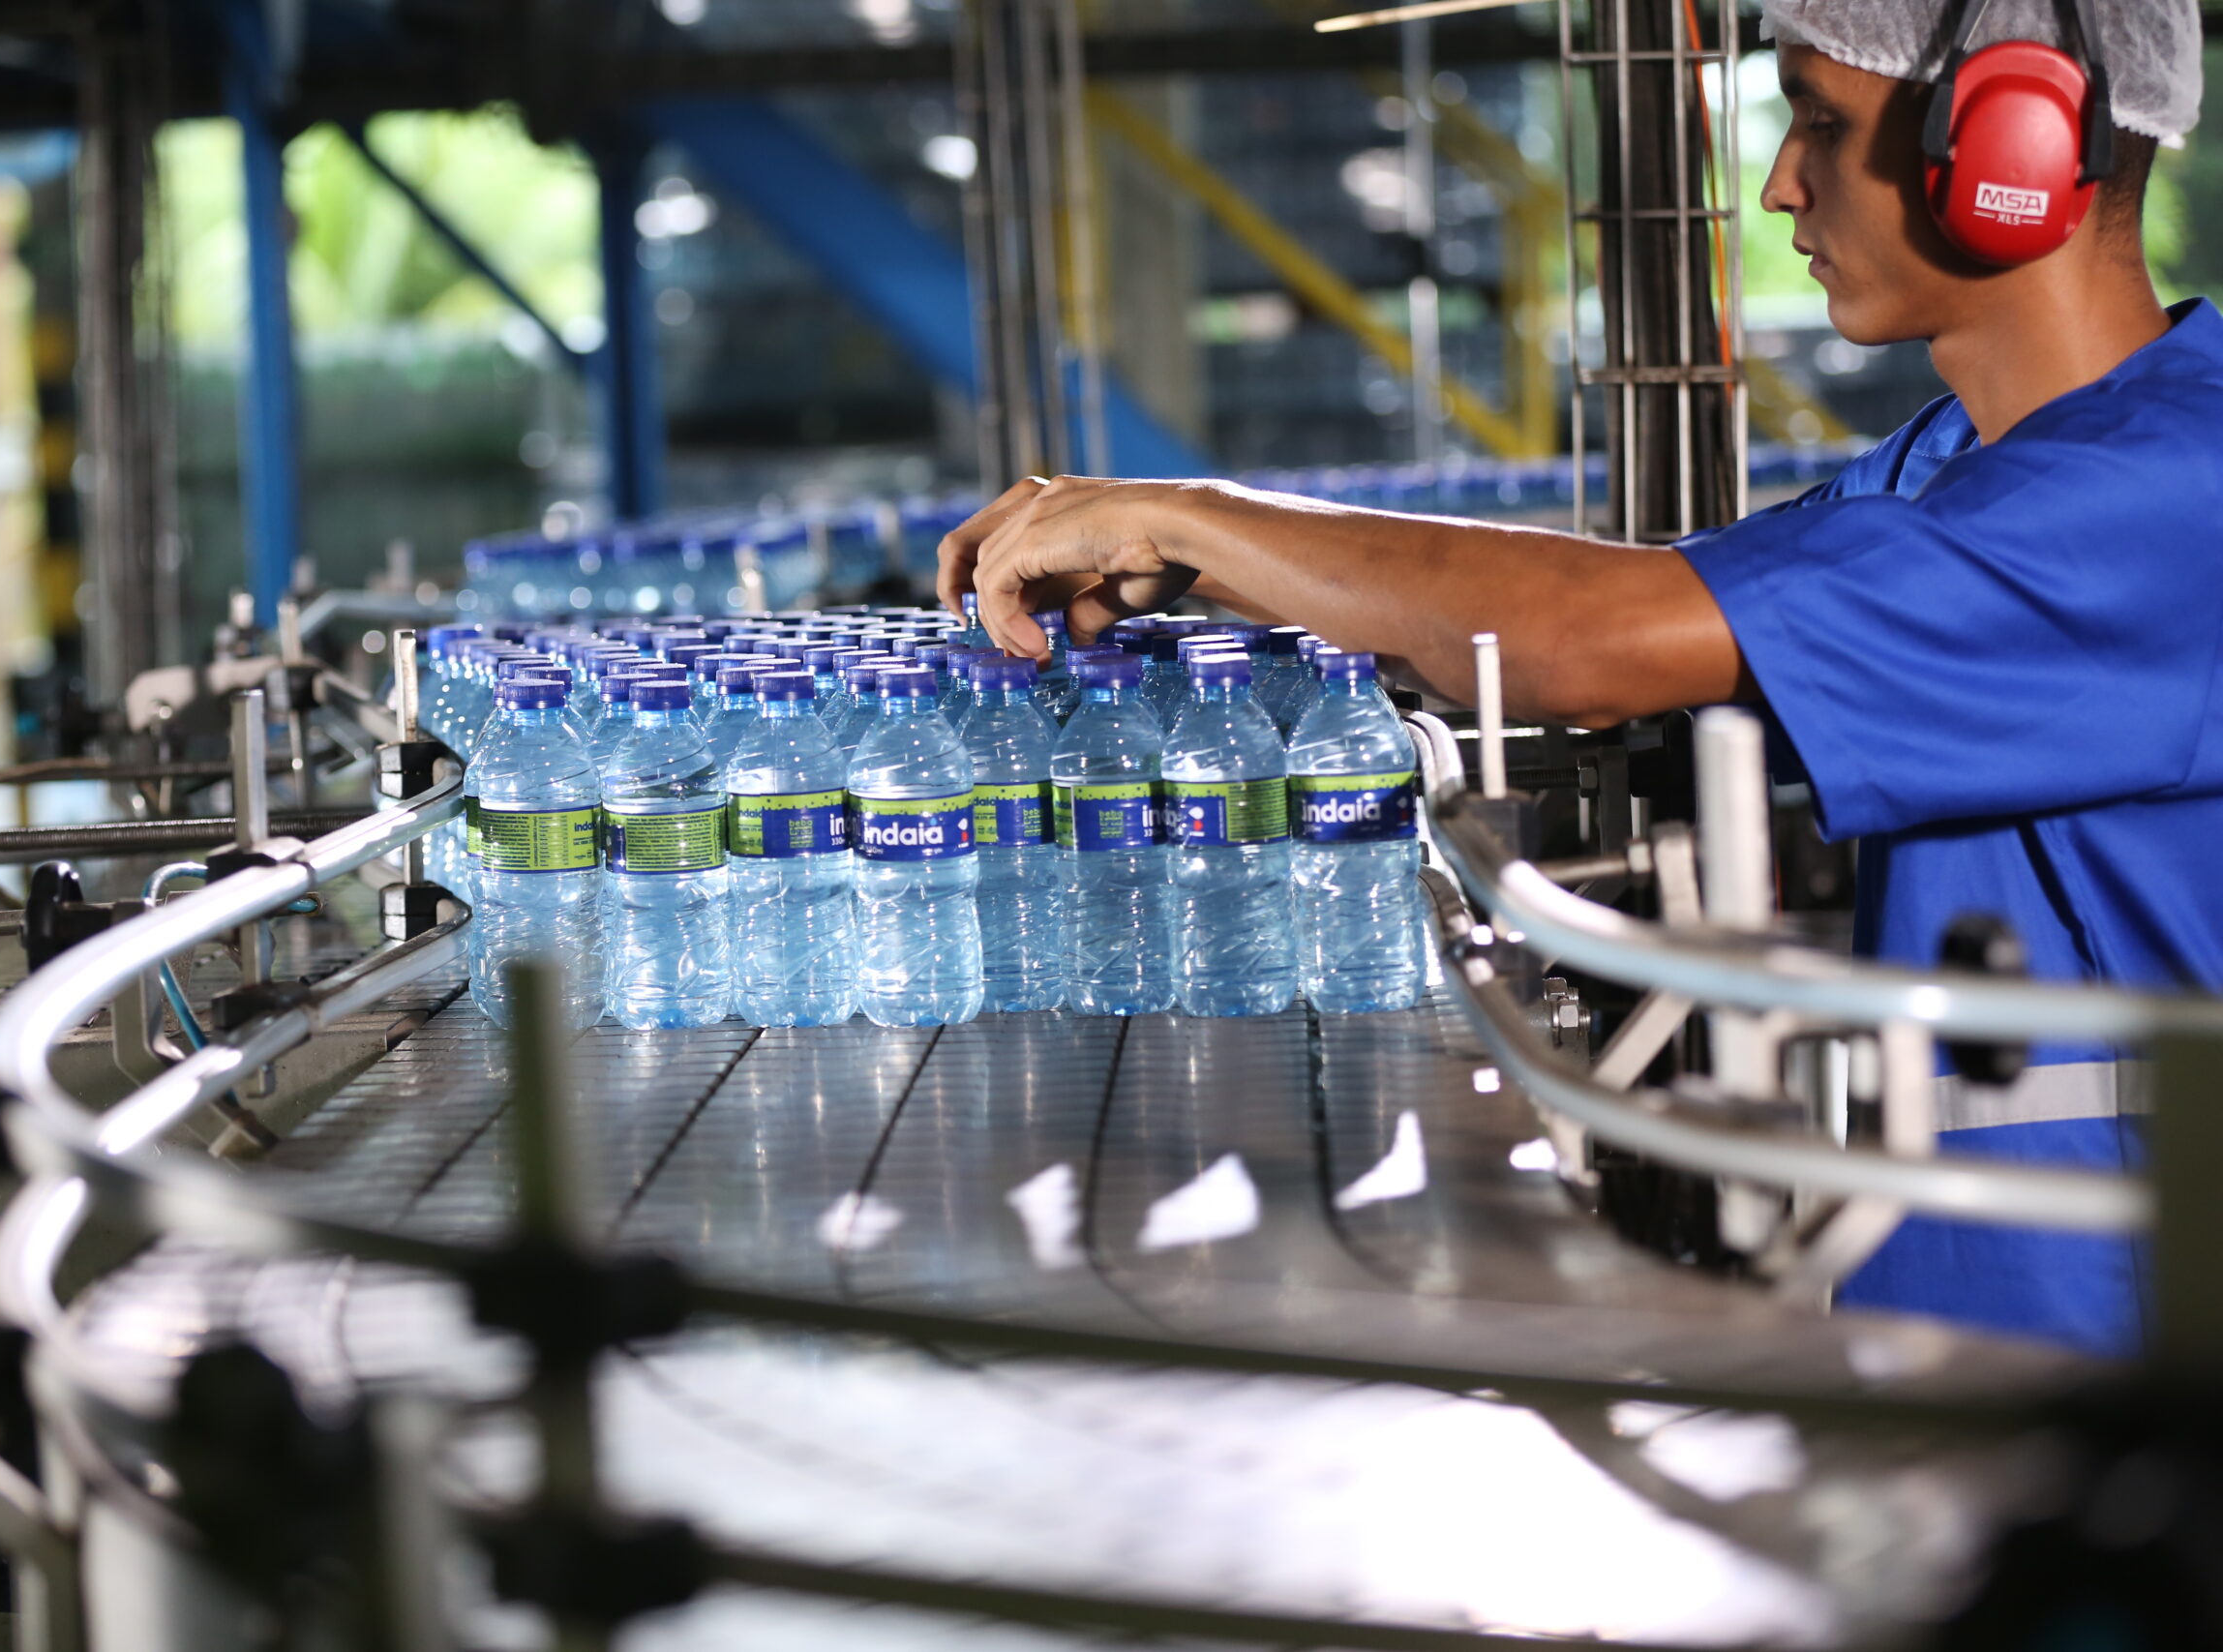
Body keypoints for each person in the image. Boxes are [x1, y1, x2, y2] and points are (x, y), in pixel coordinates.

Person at [938, 0, 2213, 1360]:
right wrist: (1192, 561)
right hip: (1992, 1337)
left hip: (2144, 1366)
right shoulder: (1967, 465)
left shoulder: (2167, 494)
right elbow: (1643, 603)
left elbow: (1596, 640)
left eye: (1822, 121)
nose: (1783, 183)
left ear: (2014, 141)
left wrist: (1187, 514)